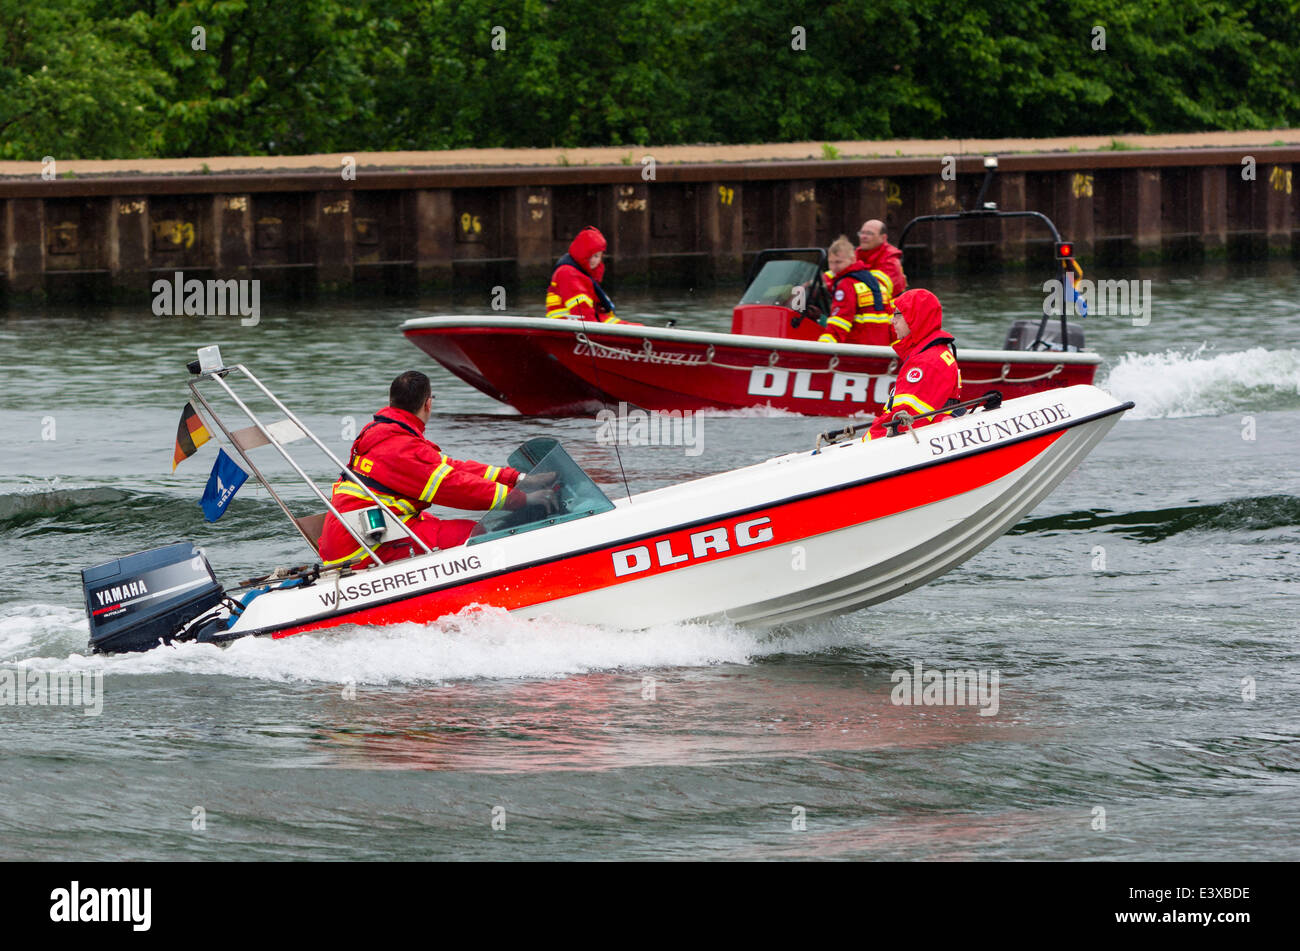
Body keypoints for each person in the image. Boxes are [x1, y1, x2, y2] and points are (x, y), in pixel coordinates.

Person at [317, 371, 557, 567]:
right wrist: (522, 499)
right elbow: (453, 486)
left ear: (391, 402)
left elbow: (451, 469)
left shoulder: (387, 433)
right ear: (428, 403)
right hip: (365, 547)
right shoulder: (400, 445)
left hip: (355, 536)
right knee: (474, 534)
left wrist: (518, 478)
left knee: (435, 522)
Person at [865, 288, 962, 441]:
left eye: (897, 314)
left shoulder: (925, 362)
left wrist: (866, 441)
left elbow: (905, 420)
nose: (892, 320)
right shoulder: (935, 353)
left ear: (914, 318)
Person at [816, 235, 895, 346]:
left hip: (858, 347)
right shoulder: (874, 282)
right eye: (831, 262)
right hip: (881, 348)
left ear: (853, 259)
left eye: (838, 262)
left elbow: (840, 320)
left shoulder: (846, 284)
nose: (834, 267)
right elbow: (892, 318)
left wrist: (823, 346)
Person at [546, 226, 635, 324]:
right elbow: (582, 313)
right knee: (639, 331)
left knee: (639, 329)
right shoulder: (567, 273)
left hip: (581, 325)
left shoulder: (580, 274)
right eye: (589, 255)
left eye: (597, 256)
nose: (593, 260)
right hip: (569, 329)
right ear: (581, 253)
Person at [856, 219, 907, 297]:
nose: (863, 237)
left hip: (886, 308)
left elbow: (878, 292)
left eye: (869, 233)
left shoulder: (891, 261)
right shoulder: (855, 254)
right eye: (862, 233)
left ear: (883, 238)